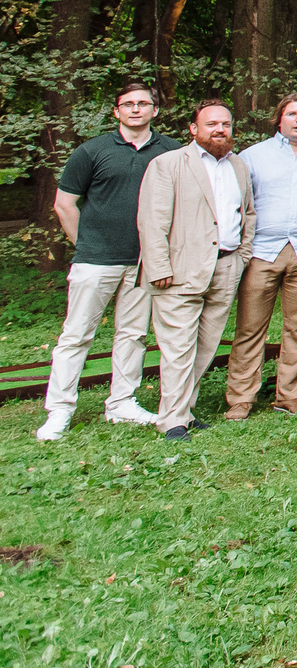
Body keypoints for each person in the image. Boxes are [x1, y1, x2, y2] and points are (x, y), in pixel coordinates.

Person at [39, 82, 182, 440]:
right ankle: (59, 410)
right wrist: (86, 245)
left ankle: (122, 403)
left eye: (143, 103)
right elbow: (64, 204)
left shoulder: (172, 151)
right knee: (76, 336)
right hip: (96, 260)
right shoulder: (92, 151)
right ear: (116, 111)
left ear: (155, 110)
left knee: (133, 335)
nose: (136, 109)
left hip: (144, 262)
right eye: (127, 104)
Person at [137, 101, 255, 439]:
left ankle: (185, 411)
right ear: (193, 128)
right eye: (211, 124)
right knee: (178, 349)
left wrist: (242, 255)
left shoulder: (238, 166)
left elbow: (247, 213)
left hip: (226, 267)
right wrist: (158, 266)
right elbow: (152, 220)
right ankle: (171, 420)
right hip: (179, 270)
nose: (219, 130)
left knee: (205, 347)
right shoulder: (169, 164)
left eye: (225, 124)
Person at [226, 92, 297, 420]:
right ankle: (241, 398)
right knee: (249, 327)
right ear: (280, 119)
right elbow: (240, 202)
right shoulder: (252, 156)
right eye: (292, 114)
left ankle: (289, 395)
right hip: (262, 251)